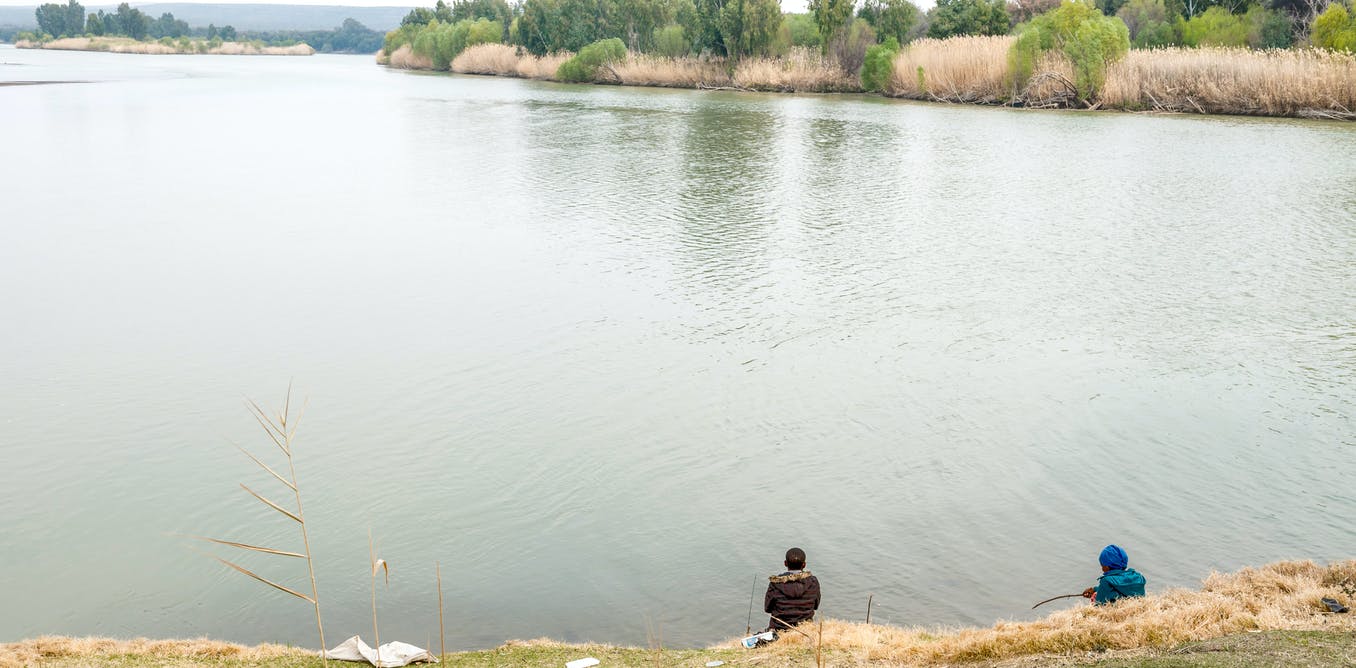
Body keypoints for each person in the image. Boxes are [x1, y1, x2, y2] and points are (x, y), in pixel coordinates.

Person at [764, 547, 821, 630]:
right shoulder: (813, 582)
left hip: (779, 629)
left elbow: (767, 608)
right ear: (804, 564)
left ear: (785, 563)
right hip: (805, 629)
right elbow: (815, 606)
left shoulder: (775, 583)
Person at [1082, 544, 1146, 605]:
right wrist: (1094, 589)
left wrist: (1094, 598)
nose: (1102, 569)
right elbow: (1119, 586)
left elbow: (1098, 606)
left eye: (1102, 565)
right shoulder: (1138, 577)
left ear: (1107, 567)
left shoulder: (1106, 581)